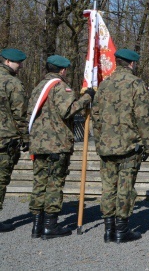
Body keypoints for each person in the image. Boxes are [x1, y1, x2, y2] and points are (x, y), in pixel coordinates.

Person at [27, 55, 93, 239]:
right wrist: (87, 98)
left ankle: (36, 226)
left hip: (39, 144)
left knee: (39, 184)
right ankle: (50, 226)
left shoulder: (38, 87)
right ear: (62, 70)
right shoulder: (60, 87)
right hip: (56, 145)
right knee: (54, 183)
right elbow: (68, 110)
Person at [92, 49, 149, 243]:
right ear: (132, 64)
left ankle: (108, 230)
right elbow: (143, 117)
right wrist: (148, 144)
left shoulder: (104, 85)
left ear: (117, 63)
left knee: (109, 187)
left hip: (107, 146)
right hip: (128, 146)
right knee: (125, 187)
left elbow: (96, 116)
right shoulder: (136, 84)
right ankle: (121, 230)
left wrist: (99, 141)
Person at [0, 48, 28, 232]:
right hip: (5, 139)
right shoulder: (12, 83)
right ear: (8, 61)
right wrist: (25, 137)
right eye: (18, 63)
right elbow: (20, 114)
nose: (20, 66)